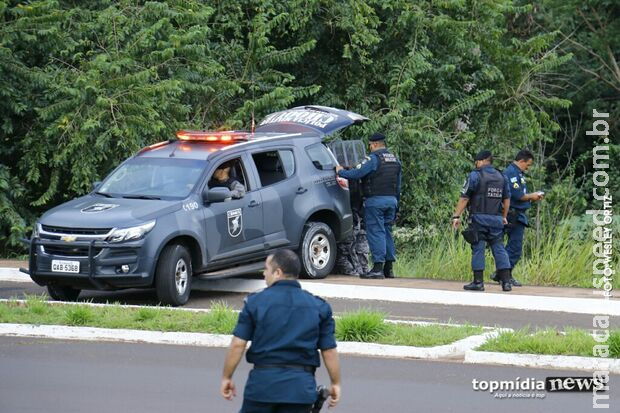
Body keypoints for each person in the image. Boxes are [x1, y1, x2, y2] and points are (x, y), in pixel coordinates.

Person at [220, 249, 341, 412]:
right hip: (300, 390)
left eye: (266, 269)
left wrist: (227, 377)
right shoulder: (319, 307)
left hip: (262, 388)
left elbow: (237, 345)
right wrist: (335, 383)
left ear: (277, 273)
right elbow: (329, 351)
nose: (264, 274)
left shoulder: (255, 303)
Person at [336, 132, 401, 279]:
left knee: (376, 232)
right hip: (392, 201)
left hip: (375, 201)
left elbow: (356, 173)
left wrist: (341, 171)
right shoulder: (395, 160)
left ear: (376, 144)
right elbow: (398, 186)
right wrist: (397, 205)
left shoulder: (373, 159)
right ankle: (388, 269)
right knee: (387, 232)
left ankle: (377, 268)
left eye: (370, 145)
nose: (370, 147)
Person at [452, 150, 513, 292]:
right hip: (496, 219)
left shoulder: (475, 175)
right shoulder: (502, 176)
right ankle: (506, 282)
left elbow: (465, 197)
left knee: (478, 248)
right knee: (499, 248)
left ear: (481, 161)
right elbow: (507, 199)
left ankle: (478, 282)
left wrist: (456, 216)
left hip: (479, 219)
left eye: (476, 162)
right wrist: (503, 216)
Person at [495, 149, 545, 286]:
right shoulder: (511, 173)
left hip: (517, 214)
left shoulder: (518, 173)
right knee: (514, 247)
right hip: (513, 214)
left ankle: (501, 273)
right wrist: (532, 196)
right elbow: (518, 195)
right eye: (527, 165)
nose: (527, 168)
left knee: (512, 246)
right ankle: (505, 274)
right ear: (521, 161)